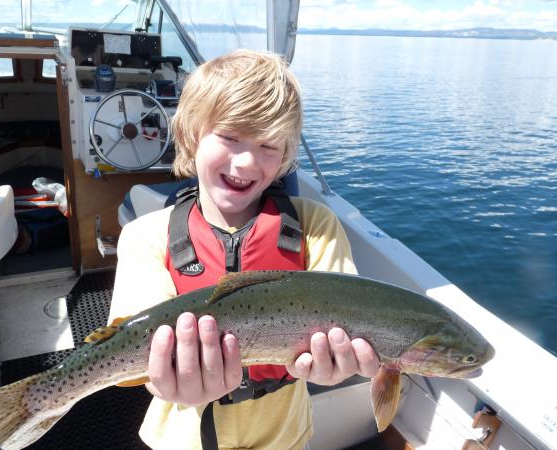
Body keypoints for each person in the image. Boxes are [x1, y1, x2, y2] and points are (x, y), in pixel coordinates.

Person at [109, 49, 379, 450]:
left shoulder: (316, 227)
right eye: (230, 138)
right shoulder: (145, 237)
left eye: (269, 146)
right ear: (191, 134)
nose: (247, 163)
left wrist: (337, 367)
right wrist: (165, 378)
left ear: (287, 156)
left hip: (284, 437)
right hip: (179, 439)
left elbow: (350, 316)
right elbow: (128, 361)